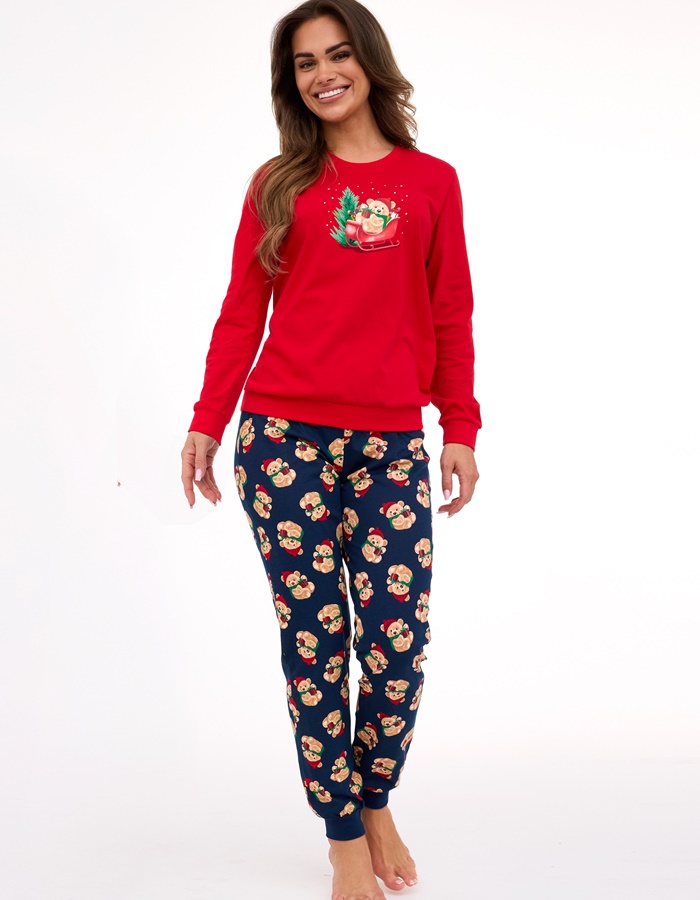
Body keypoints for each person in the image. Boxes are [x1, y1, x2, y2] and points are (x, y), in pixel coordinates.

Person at [180, 1, 481, 896]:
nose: (323, 73)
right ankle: (343, 829)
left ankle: (375, 794)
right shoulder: (279, 184)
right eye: (305, 62)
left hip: (390, 444)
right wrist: (208, 419)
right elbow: (242, 312)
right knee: (316, 639)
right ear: (293, 83)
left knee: (396, 638)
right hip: (283, 439)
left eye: (338, 53)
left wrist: (459, 426)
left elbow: (450, 310)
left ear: (369, 62)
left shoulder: (433, 183)